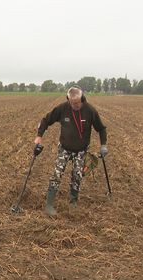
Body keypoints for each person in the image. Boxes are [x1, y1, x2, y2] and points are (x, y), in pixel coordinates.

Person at [34, 86, 108, 216]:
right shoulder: (62, 109)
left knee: (77, 175)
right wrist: (39, 136)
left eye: (78, 102)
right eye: (73, 103)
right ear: (68, 99)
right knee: (57, 174)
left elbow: (101, 128)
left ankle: (73, 202)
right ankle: (49, 205)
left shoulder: (90, 111)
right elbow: (46, 120)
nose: (76, 105)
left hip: (81, 150)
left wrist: (103, 145)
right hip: (64, 148)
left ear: (82, 98)